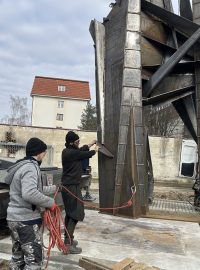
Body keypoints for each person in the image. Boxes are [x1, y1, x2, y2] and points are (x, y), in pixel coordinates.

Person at [5, 137, 58, 270]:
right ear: (39, 153)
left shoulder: (21, 166)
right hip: (26, 220)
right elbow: (29, 194)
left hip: (14, 219)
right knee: (34, 261)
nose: (44, 155)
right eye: (44, 152)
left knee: (18, 259)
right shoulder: (30, 167)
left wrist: (55, 188)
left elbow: (34, 189)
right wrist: (50, 202)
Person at [61, 131, 98, 254]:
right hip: (71, 187)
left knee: (70, 213)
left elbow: (81, 150)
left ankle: (68, 239)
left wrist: (91, 144)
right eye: (77, 141)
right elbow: (83, 154)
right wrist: (95, 150)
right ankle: (68, 244)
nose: (79, 143)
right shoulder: (69, 153)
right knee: (75, 214)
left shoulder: (70, 151)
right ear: (72, 142)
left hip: (72, 186)